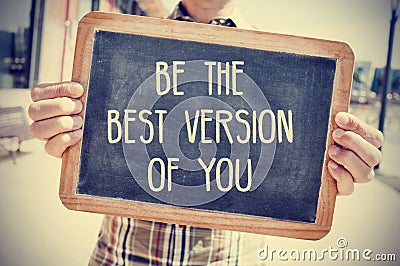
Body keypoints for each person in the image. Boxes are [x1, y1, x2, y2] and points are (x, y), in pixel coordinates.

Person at [28, 0, 384, 265]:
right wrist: (63, 126)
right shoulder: (119, 44)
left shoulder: (285, 66)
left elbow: (303, 164)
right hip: (117, 257)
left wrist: (339, 163)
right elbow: (80, 135)